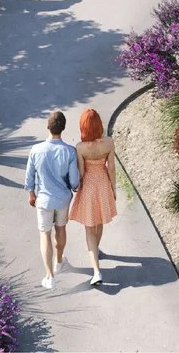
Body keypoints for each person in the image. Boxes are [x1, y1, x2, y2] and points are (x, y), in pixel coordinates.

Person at [24, 110, 82, 290]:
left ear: (47, 127)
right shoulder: (70, 151)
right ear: (63, 128)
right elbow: (74, 182)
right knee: (61, 229)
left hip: (43, 200)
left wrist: (31, 193)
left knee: (45, 234)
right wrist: (75, 187)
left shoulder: (36, 150)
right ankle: (59, 262)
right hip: (63, 200)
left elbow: (29, 176)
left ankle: (49, 276)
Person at [69, 107, 118, 285]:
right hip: (103, 184)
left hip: (89, 187)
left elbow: (81, 172)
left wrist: (77, 187)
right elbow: (111, 168)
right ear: (99, 125)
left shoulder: (80, 147)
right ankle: (95, 250)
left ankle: (96, 271)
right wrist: (113, 189)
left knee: (89, 228)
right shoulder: (109, 143)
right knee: (99, 221)